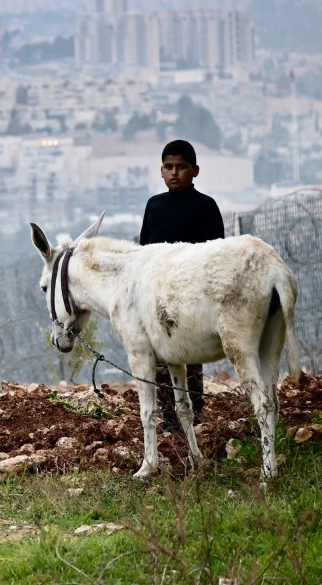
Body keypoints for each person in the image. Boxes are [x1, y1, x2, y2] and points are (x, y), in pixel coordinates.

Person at [138, 138, 225, 434]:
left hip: (192, 296)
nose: (174, 173)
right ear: (161, 171)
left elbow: (215, 255)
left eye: (181, 167)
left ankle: (193, 415)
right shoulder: (154, 206)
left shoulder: (205, 206)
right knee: (161, 358)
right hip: (159, 296)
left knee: (189, 357)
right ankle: (170, 418)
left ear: (195, 170)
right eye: (168, 166)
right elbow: (144, 252)